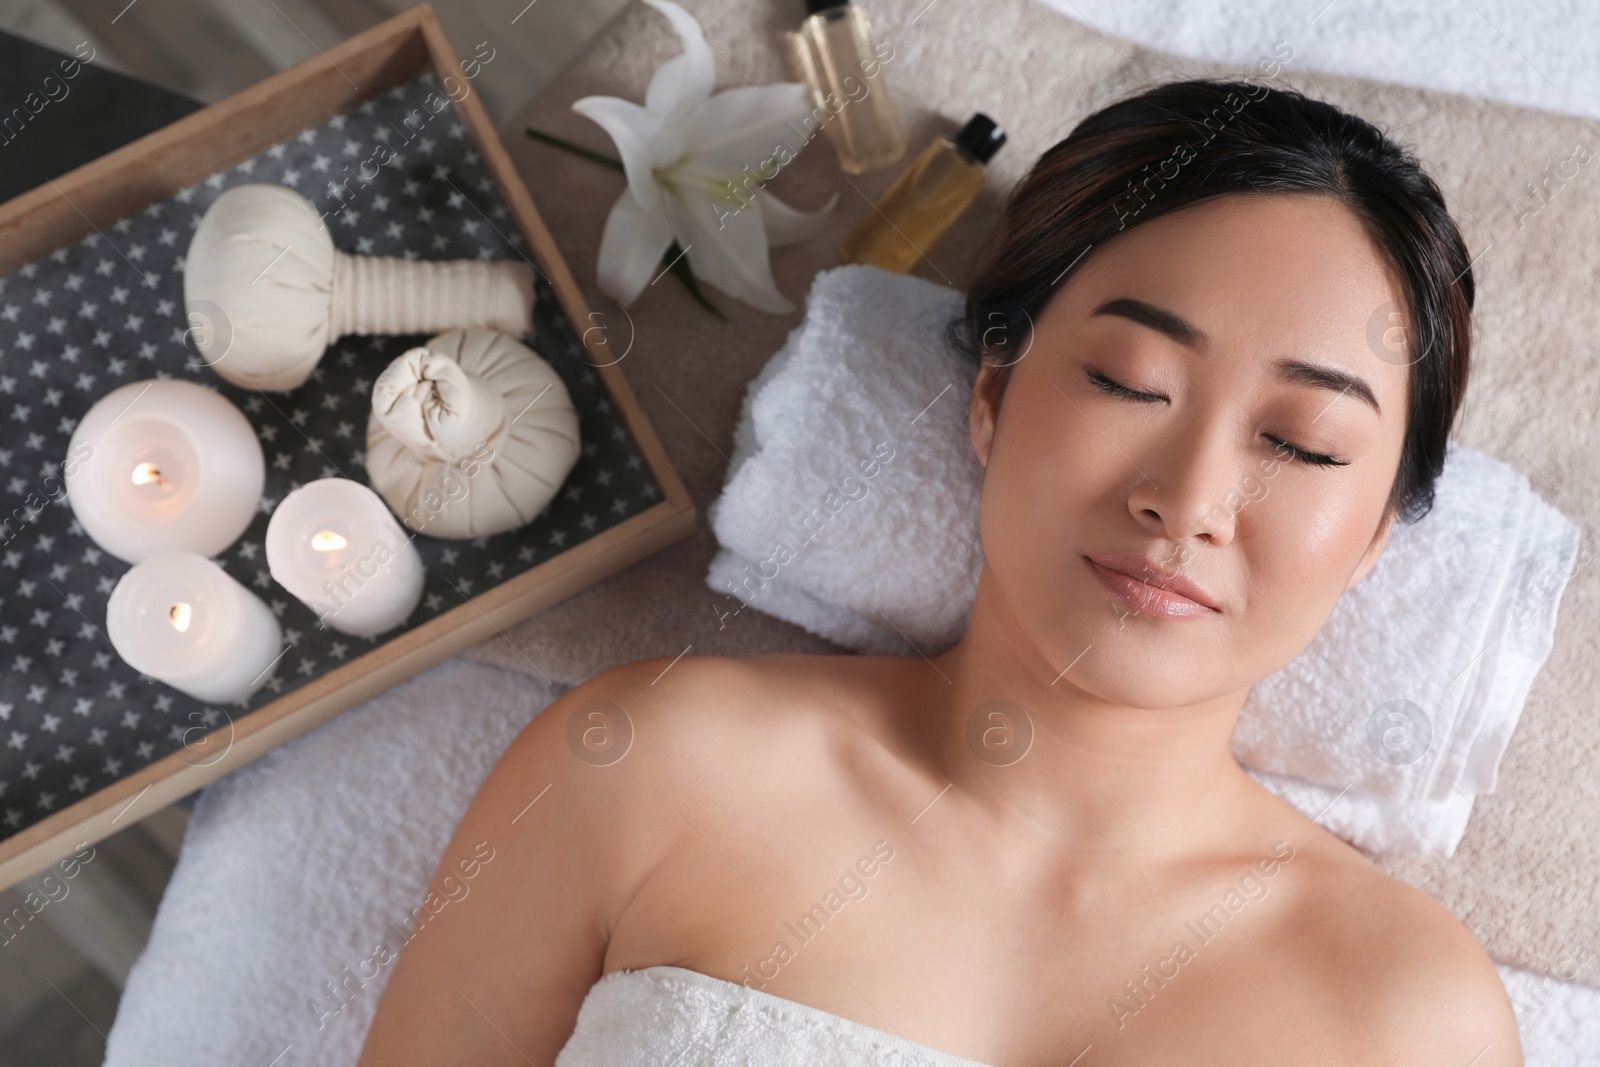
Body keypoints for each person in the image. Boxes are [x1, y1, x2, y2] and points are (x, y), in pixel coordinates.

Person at [356, 78, 1522, 1066]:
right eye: (1126, 379)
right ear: (994, 397)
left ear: (1371, 537)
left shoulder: (1410, 1012)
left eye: (1301, 444)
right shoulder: (646, 766)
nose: (1188, 497)